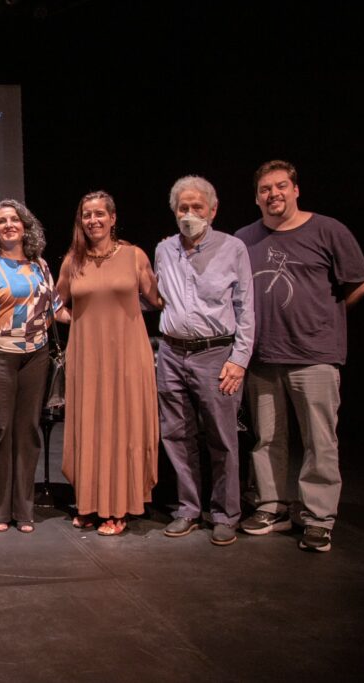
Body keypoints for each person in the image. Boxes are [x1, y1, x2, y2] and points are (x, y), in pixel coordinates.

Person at [235, 160, 364, 552]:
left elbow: (361, 281)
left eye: (281, 186)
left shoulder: (328, 230)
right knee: (267, 438)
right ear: (257, 196)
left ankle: (317, 518)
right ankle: (272, 508)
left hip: (315, 354)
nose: (273, 194)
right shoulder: (245, 238)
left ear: (296, 190)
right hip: (263, 356)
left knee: (319, 440)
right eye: (265, 189)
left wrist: (329, 316)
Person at [155, 176, 254, 546]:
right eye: (183, 207)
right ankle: (187, 509)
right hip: (171, 352)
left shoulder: (233, 248)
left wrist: (239, 359)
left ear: (212, 210)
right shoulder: (164, 249)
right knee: (177, 435)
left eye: (197, 207)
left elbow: (246, 308)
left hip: (216, 354)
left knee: (222, 437)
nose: (189, 214)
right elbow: (156, 297)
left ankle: (225, 514)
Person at [56, 191, 160, 537]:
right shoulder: (73, 261)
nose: (93, 220)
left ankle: (117, 508)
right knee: (90, 428)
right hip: (86, 356)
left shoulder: (134, 256)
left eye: (100, 214)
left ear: (113, 218)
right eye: (87, 215)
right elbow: (55, 306)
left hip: (128, 355)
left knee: (123, 427)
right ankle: (89, 504)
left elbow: (158, 299)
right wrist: (81, 322)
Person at [0, 199, 61, 534]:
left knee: (28, 433)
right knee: (0, 432)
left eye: (14, 220)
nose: (9, 225)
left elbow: (54, 313)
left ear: (25, 226)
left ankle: (24, 509)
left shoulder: (40, 266)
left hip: (35, 356)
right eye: (1, 221)